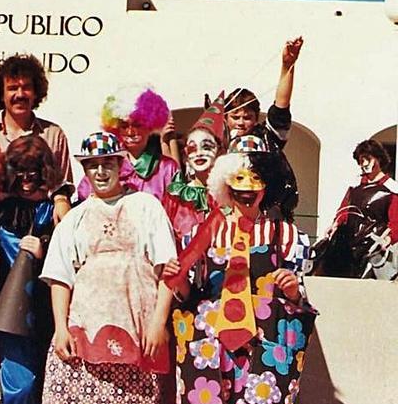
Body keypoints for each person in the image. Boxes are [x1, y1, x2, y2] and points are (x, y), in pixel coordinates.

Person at [164, 137, 316, 404]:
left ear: (268, 184)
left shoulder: (286, 236)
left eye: (256, 177)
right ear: (224, 181)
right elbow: (188, 294)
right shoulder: (199, 235)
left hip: (262, 353)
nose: (247, 187)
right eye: (238, 177)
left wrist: (291, 290)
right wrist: (176, 280)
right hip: (210, 352)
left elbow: (300, 300)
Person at [32, 132, 179, 404]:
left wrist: (158, 323)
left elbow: (168, 270)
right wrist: (60, 329)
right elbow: (60, 278)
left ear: (120, 165)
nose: (100, 172)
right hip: (84, 341)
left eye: (107, 164)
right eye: (93, 165)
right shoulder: (74, 219)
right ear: (84, 170)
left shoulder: (145, 207)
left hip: (136, 336)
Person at [0, 136, 59, 404]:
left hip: (50, 309)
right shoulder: (1, 209)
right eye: (20, 172)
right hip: (9, 313)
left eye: (34, 172)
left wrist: (45, 242)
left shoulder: (58, 210)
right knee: (21, 382)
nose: (27, 180)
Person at [0, 54, 73, 223]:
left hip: (41, 224)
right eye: (12, 88)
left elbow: (62, 184)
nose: (20, 94)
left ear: (36, 93)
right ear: (1, 94)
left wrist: (61, 200)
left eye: (26, 87)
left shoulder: (54, 134)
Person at [225, 37, 304, 219]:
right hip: (227, 219)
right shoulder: (217, 142)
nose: (240, 122)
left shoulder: (266, 138)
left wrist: (287, 66)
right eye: (235, 117)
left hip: (267, 219)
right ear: (225, 117)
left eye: (247, 117)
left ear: (255, 118)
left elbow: (281, 106)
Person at [78, 86, 178, 203]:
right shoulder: (106, 165)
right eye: (124, 126)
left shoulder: (167, 168)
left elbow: (178, 213)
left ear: (150, 125)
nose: (130, 132)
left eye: (138, 125)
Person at [317, 139, 398, 278]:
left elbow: (395, 222)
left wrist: (389, 239)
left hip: (373, 248)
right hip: (347, 245)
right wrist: (335, 224)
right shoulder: (354, 185)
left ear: (378, 158)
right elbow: (345, 210)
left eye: (367, 158)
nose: (363, 164)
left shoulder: (392, 189)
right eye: (360, 160)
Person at [163, 92, 227, 241]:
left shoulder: (231, 194)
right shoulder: (176, 197)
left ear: (220, 151)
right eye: (192, 148)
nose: (199, 154)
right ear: (186, 154)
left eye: (206, 147)